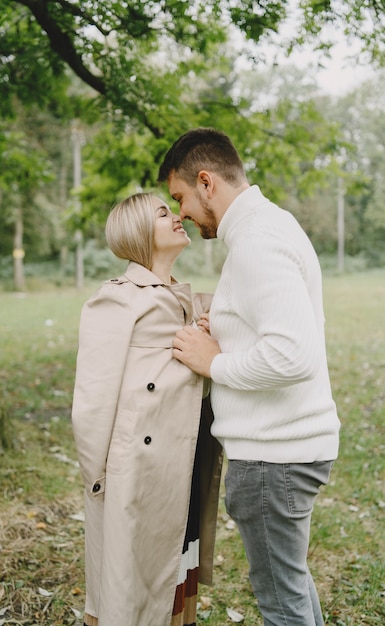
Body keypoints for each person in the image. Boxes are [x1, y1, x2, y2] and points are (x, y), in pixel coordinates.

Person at [158, 128, 341, 626]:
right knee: (291, 584)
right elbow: (276, 326)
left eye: (179, 198)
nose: (181, 215)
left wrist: (212, 360)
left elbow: (291, 355)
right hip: (283, 451)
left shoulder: (257, 240)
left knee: (281, 604)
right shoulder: (265, 227)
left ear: (205, 181)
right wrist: (228, 323)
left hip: (273, 457)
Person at [71, 192, 222, 626]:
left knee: (176, 562)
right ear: (139, 232)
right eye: (163, 213)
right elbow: (93, 397)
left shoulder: (186, 297)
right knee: (131, 582)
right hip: (136, 470)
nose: (178, 216)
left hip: (183, 460)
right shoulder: (116, 299)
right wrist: (98, 479)